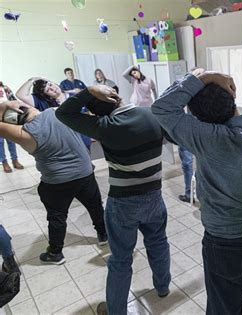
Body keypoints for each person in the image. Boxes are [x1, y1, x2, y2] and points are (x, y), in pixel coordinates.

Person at [152, 69, 242, 314]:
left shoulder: (207, 138)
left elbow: (162, 108)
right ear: (232, 96)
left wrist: (204, 77)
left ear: (197, 117)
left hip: (224, 243)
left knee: (223, 308)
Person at [56, 85, 171, 315]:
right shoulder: (152, 115)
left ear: (97, 113)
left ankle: (116, 310)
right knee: (158, 243)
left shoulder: (105, 127)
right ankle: (162, 287)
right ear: (116, 98)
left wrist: (88, 91)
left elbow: (64, 113)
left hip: (123, 204)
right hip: (154, 198)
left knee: (120, 259)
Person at [0, 101, 107, 265]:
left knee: (57, 216)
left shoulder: (24, 134)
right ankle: (103, 234)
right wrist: (8, 102)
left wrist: (4, 107)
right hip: (84, 172)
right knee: (95, 205)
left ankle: (56, 253)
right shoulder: (56, 111)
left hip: (57, 181)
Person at [16, 77, 92, 151]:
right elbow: (20, 95)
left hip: (83, 139)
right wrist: (33, 79)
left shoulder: (75, 96)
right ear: (46, 96)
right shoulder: (44, 103)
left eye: (50, 84)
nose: (52, 89)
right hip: (64, 144)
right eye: (48, 90)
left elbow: (88, 114)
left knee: (86, 160)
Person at [0, 82, 23, 173]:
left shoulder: (5, 88)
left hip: (8, 117)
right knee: (0, 142)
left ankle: (15, 160)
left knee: (11, 140)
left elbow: (14, 100)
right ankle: (4, 162)